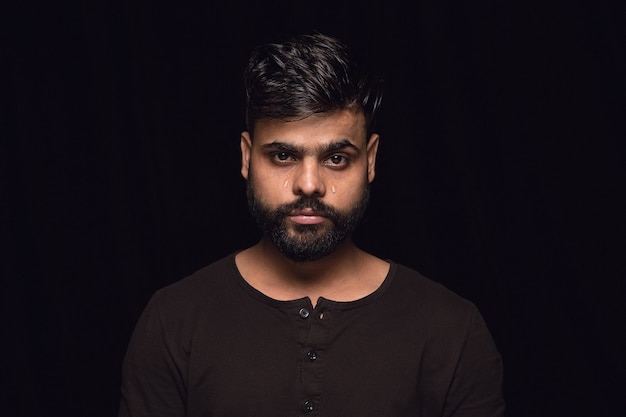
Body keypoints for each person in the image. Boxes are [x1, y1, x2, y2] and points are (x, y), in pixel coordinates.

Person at [118, 33, 505, 417]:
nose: (309, 184)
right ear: (247, 157)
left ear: (370, 160)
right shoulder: (173, 321)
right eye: (283, 155)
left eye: (336, 158)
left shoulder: (452, 329)